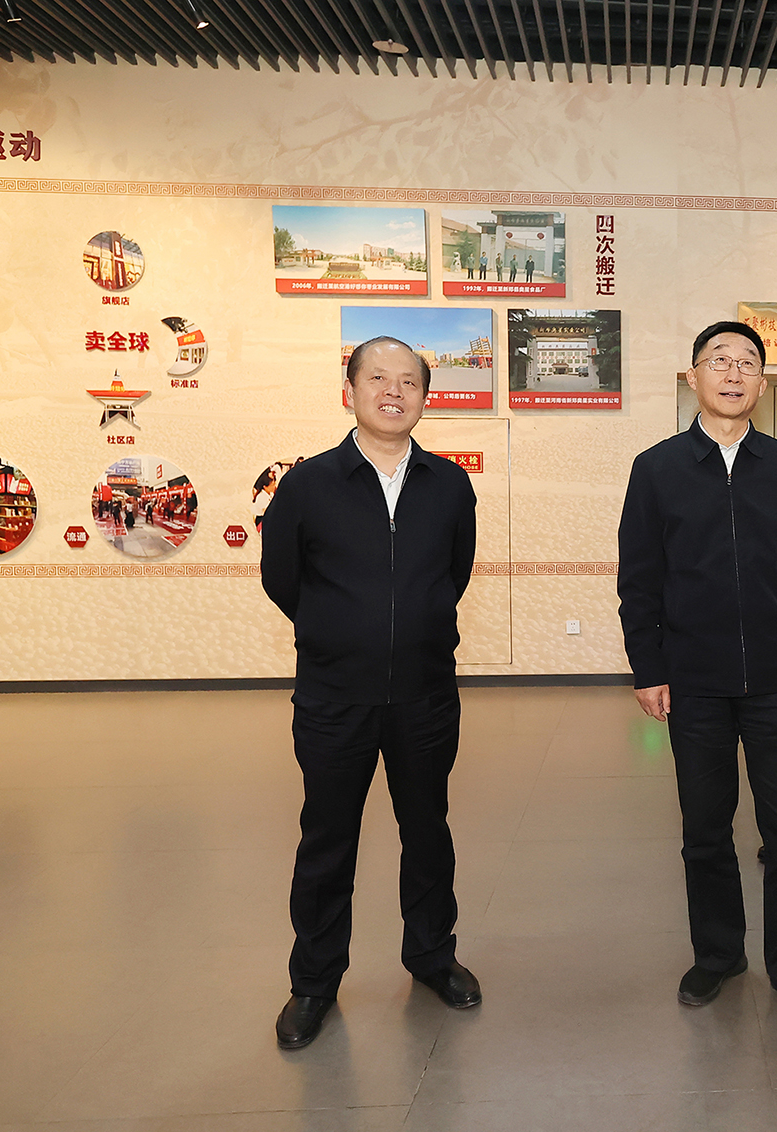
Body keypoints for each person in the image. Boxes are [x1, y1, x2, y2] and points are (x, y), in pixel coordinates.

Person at [618, 320, 777, 1030]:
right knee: (705, 829)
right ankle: (717, 954)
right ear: (694, 378)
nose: (734, 372)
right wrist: (648, 667)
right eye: (719, 360)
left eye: (748, 362)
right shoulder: (656, 469)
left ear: (762, 384)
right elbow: (639, 579)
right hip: (696, 681)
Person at [261, 336, 480, 1050]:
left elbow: (454, 574)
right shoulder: (307, 484)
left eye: (409, 381)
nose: (394, 391)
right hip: (334, 697)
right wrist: (338, 632)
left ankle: (433, 957)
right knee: (327, 840)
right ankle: (314, 983)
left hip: (425, 695)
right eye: (378, 378)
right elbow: (281, 578)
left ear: (425, 397)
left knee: (428, 831)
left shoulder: (449, 485)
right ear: (349, 390)